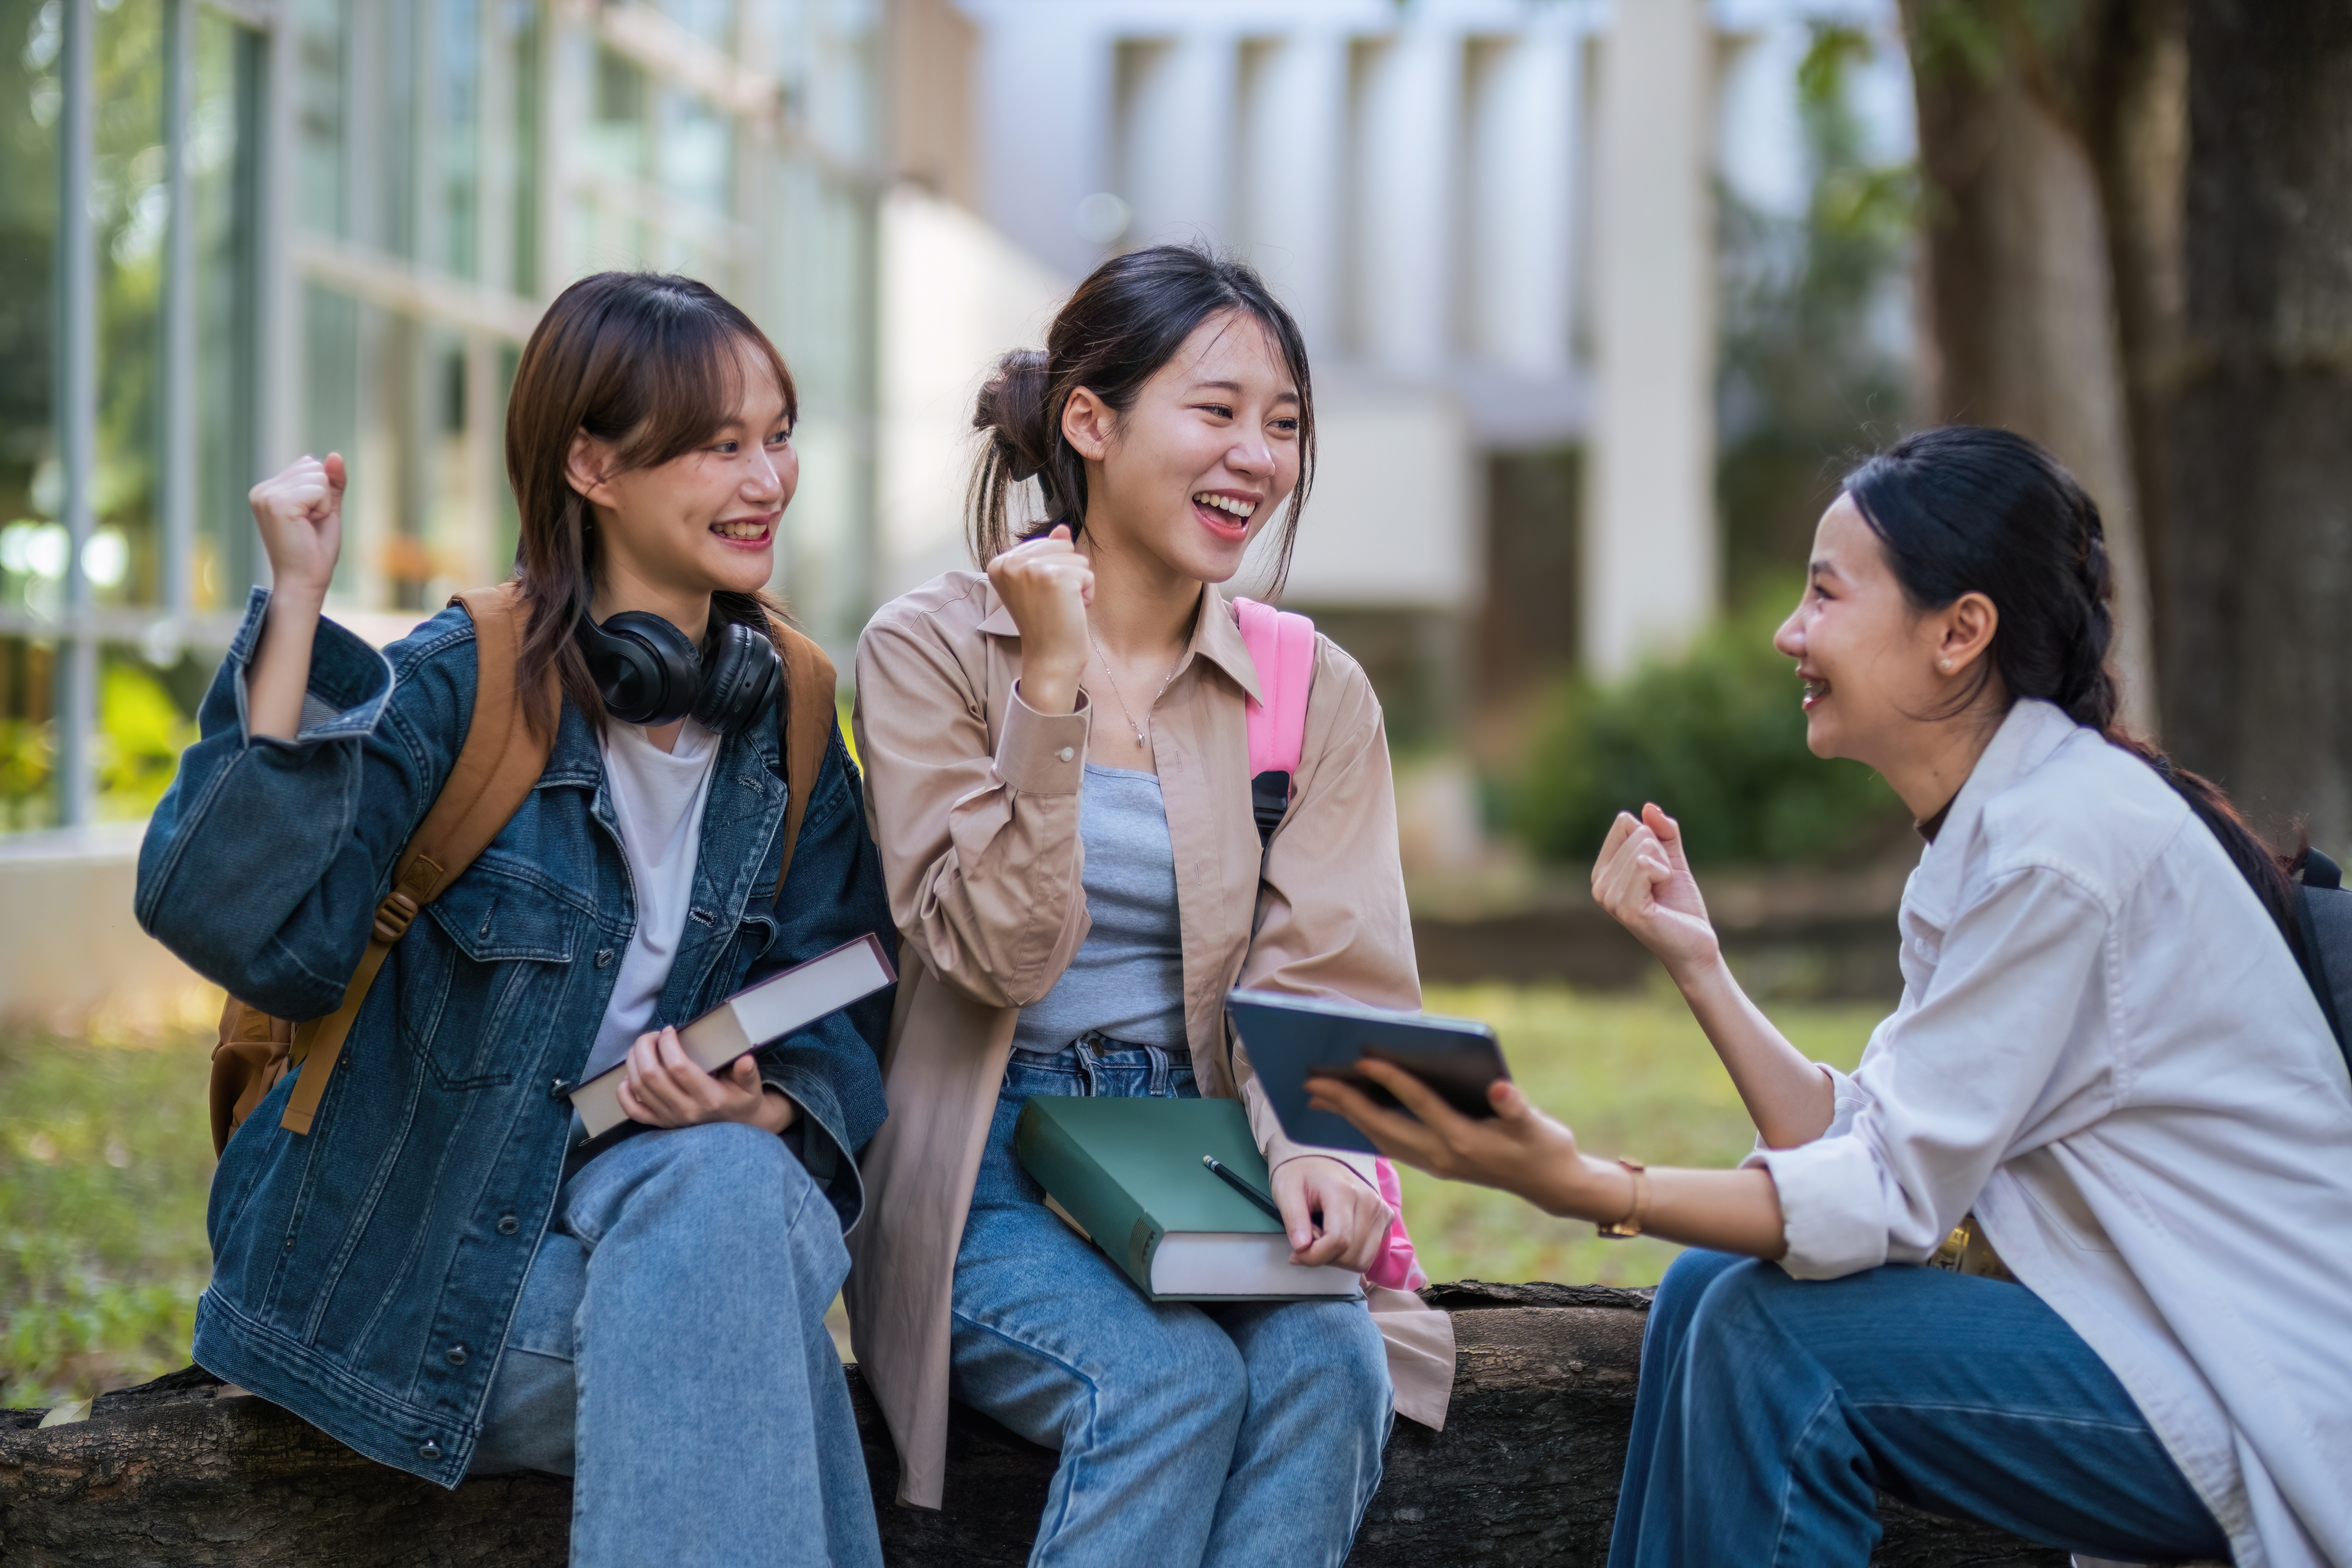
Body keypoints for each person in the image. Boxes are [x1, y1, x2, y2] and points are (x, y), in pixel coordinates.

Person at [1309, 426, 2352, 1568]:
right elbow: (1864, 1147)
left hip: (2254, 1395)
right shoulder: (1997, 831)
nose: (1788, 634)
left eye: (1825, 596)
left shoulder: (2060, 848)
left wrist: (1585, 1185)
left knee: (1772, 1335)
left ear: (1960, 633)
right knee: (1716, 1281)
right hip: (2145, 1342)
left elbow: (1889, 1200)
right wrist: (1699, 962)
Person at [137, 273, 894, 1567]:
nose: (769, 476)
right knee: (742, 1325)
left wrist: (756, 1105)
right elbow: (242, 927)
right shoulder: (463, 685)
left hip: (668, 1220)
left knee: (725, 1183)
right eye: (721, 444)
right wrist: (300, 608)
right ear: (591, 464)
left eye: (779, 434)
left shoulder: (793, 719)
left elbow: (848, 1006)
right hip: (397, 1262)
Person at [844, 243, 1455, 1566]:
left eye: (1284, 424)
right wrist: (1051, 695)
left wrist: (1319, 1152)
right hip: (991, 1170)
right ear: (1091, 421)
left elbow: (1330, 982)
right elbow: (995, 955)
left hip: (1215, 1142)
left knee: (1330, 1371)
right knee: (1166, 1387)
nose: (1259, 456)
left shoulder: (1313, 688)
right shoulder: (929, 650)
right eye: (1218, 410)